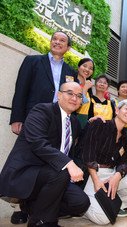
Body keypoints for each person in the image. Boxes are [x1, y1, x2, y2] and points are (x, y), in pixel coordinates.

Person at [8, 31, 77, 224]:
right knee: (28, 164)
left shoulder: (71, 72)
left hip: (56, 123)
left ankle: (35, 209)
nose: (57, 42)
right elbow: (21, 89)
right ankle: (22, 207)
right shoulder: (32, 61)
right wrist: (17, 117)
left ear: (68, 47)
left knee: (50, 167)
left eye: (62, 40)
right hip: (34, 120)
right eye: (55, 39)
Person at [0, 82, 90, 227]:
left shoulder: (74, 122)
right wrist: (68, 163)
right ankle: (42, 222)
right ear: (59, 95)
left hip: (54, 176)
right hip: (28, 172)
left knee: (81, 203)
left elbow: (76, 149)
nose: (75, 98)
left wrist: (93, 123)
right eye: (70, 93)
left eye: (79, 96)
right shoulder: (42, 110)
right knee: (61, 172)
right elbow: (38, 143)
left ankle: (32, 209)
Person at [82, 99, 127, 225]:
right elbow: (88, 154)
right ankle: (83, 209)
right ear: (117, 110)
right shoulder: (100, 124)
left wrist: (117, 175)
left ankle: (116, 206)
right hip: (93, 174)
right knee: (103, 219)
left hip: (111, 174)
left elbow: (124, 163)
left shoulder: (126, 139)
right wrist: (96, 180)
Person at [75, 58, 95, 128]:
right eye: (84, 66)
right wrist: (85, 88)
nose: (87, 70)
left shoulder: (88, 86)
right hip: (73, 119)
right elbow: (76, 104)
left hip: (83, 123)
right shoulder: (72, 83)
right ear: (78, 67)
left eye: (90, 68)